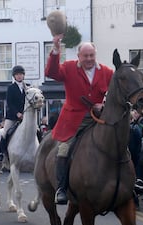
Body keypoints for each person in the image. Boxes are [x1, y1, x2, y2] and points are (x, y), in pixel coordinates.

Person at [45, 34, 113, 204]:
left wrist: (103, 104)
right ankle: (61, 188)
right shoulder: (68, 68)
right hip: (73, 121)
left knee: (119, 144)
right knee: (63, 150)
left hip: (98, 119)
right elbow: (51, 72)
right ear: (79, 56)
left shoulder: (106, 72)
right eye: (85, 56)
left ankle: (127, 184)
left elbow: (113, 93)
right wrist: (55, 49)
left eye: (92, 55)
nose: (89, 59)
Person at [0, 65, 26, 161]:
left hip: (25, 116)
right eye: (17, 74)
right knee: (5, 133)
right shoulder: (11, 88)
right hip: (12, 117)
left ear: (23, 75)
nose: (19, 76)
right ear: (14, 76)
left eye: (21, 74)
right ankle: (1, 153)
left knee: (37, 130)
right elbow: (10, 103)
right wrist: (17, 113)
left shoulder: (27, 88)